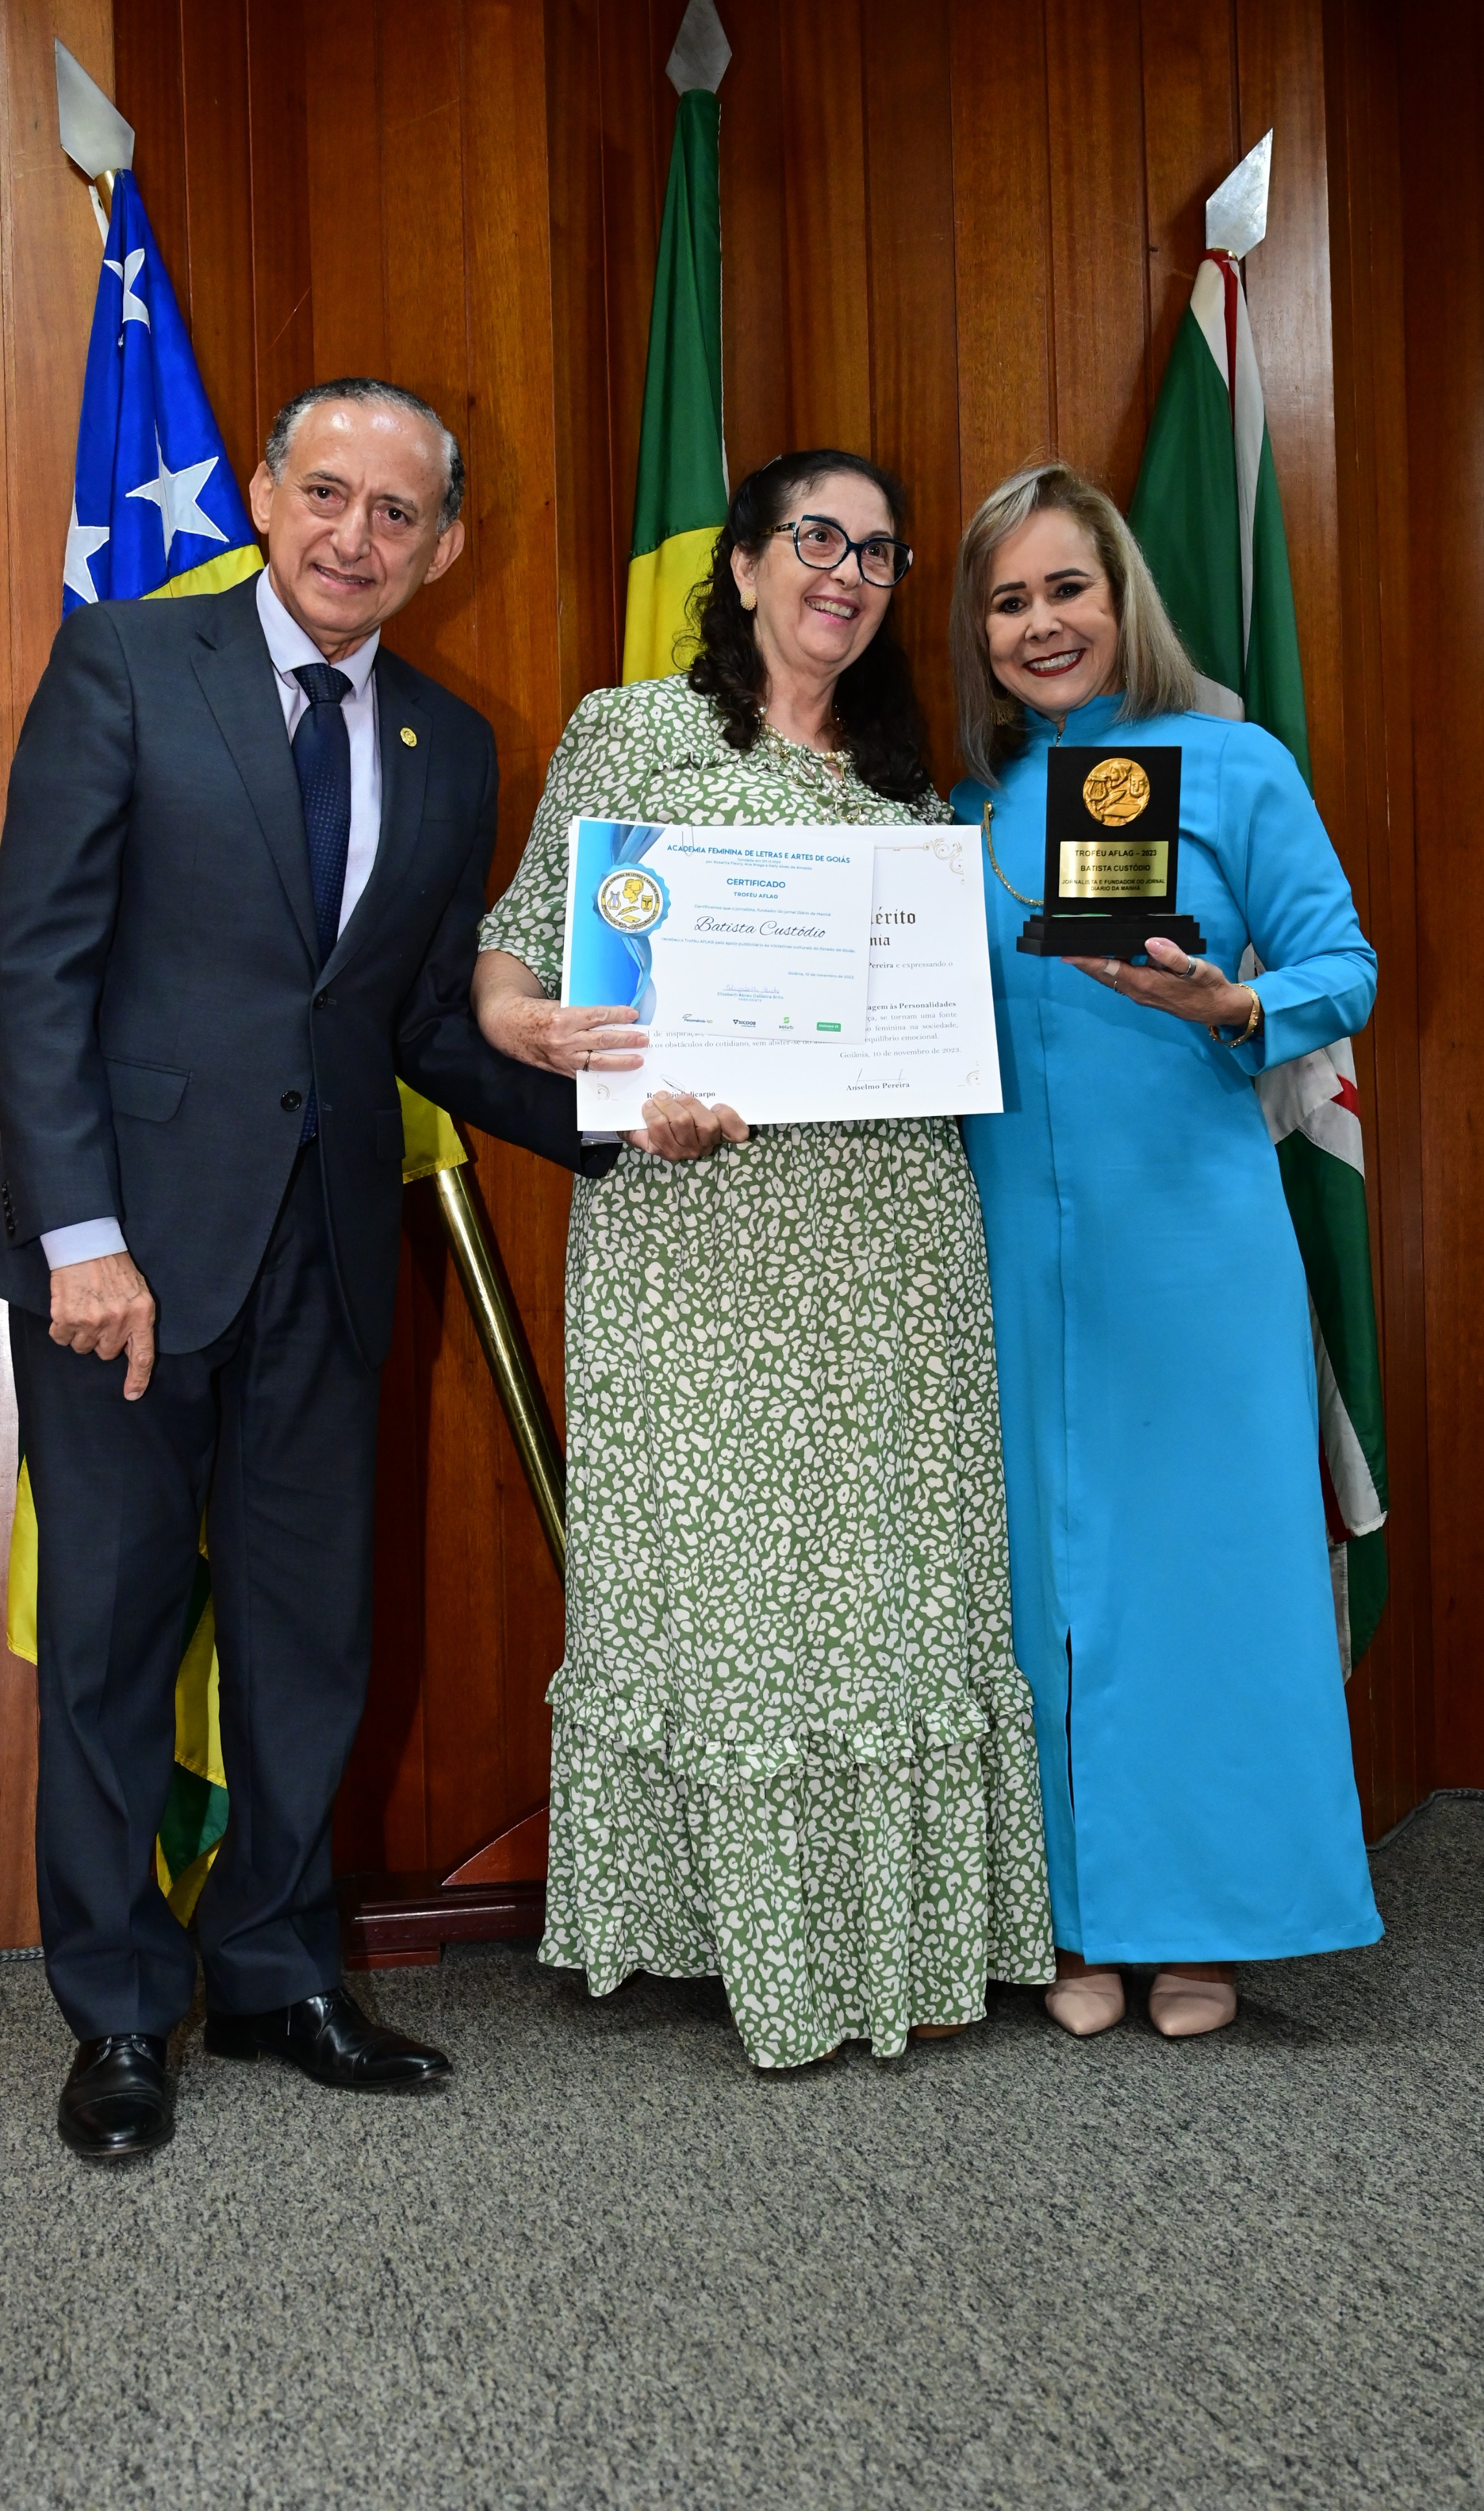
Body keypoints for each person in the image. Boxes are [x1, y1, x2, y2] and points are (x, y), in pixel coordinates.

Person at [0, 377, 725, 2160]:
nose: (354, 537)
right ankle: (118, 2011)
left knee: (310, 1637)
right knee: (109, 1640)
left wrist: (617, 1116)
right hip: (125, 1260)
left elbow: (418, 1027)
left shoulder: (449, 744)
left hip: (328, 1253)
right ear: (262, 493)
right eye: (325, 494)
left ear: (442, 546)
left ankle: (275, 1971)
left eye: (397, 513)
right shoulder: (123, 666)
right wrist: (80, 1235)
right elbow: (36, 963)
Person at [471, 449, 1055, 2071]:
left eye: (878, 551)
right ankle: (735, 1934)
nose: (847, 573)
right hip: (691, 1231)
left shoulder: (916, 784)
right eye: (817, 537)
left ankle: (906, 1934)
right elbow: (513, 950)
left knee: (886, 1574)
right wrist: (536, 1030)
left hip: (890, 1232)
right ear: (742, 565)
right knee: (721, 1581)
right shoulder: (629, 730)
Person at [948, 460, 1383, 2040]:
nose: (1041, 624)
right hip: (1005, 1250)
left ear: (1122, 593)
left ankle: (1204, 1922)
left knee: (1204, 1579)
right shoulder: (956, 808)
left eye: (1067, 587)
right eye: (1008, 601)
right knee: (1037, 1582)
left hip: (1195, 1244)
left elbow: (1345, 961)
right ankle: (1074, 1920)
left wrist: (1239, 1002)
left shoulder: (1235, 761)